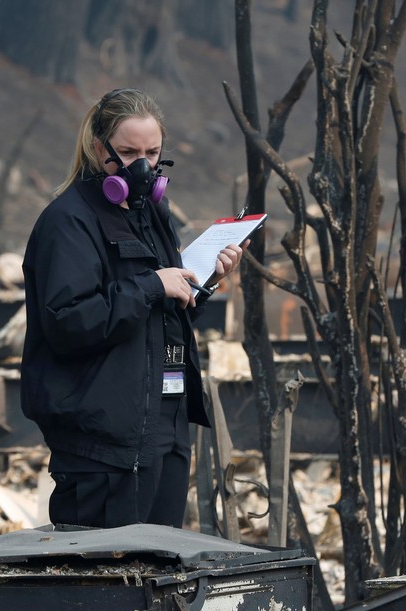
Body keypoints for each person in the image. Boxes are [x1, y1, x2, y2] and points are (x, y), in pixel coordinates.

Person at [21, 88, 245, 530]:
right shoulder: (68, 221)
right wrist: (150, 284)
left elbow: (160, 317)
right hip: (103, 444)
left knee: (159, 573)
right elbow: (68, 322)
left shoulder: (151, 213)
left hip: (164, 428)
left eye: (152, 152)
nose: (142, 165)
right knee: (107, 581)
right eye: (127, 152)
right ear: (96, 148)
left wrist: (205, 281)